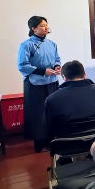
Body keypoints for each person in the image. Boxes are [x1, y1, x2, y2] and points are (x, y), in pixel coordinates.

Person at [17, 15, 61, 152]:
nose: (46, 27)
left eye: (46, 25)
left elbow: (57, 58)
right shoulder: (26, 45)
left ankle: (53, 140)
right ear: (33, 28)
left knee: (53, 110)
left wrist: (57, 66)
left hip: (52, 82)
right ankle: (40, 144)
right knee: (38, 114)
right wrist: (43, 71)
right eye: (42, 25)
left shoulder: (52, 44)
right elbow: (23, 65)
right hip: (35, 84)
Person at [43, 60, 95, 138]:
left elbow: (48, 130)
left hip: (65, 144)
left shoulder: (51, 100)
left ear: (64, 77)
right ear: (85, 75)